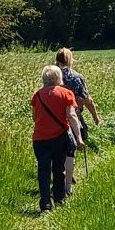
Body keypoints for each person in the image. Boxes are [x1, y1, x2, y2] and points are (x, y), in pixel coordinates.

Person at [31, 65, 84, 214]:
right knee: (59, 168)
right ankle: (60, 198)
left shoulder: (37, 95)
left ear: (44, 78)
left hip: (40, 139)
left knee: (43, 170)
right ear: (58, 78)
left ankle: (45, 204)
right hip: (59, 138)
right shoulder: (66, 93)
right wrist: (79, 137)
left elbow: (34, 117)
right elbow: (72, 116)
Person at [55, 48, 101, 195]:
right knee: (74, 143)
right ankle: (68, 177)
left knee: (57, 146)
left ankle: (62, 172)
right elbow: (87, 100)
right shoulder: (76, 77)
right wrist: (95, 116)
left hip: (53, 116)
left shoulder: (51, 75)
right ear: (70, 60)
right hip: (73, 115)